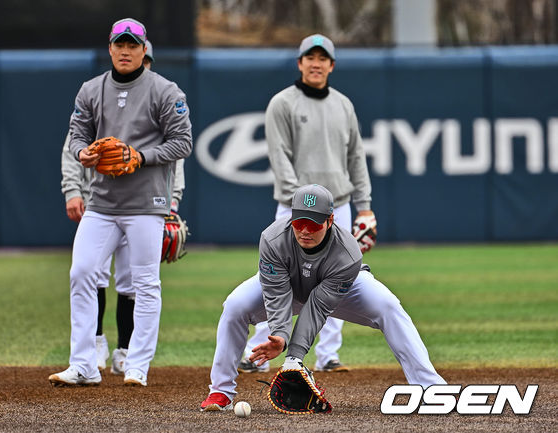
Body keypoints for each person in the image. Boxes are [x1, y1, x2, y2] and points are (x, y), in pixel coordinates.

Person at [200, 184, 445, 411]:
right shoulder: (272, 239)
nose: (305, 231)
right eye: (300, 222)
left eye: (314, 224)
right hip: (289, 285)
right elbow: (277, 295)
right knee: (234, 305)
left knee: (388, 306)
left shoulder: (348, 253)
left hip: (342, 286)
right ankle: (221, 391)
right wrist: (280, 337)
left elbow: (317, 307)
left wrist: (293, 357)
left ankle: (430, 387)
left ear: (330, 220)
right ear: (291, 218)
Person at [49, 17, 192, 387]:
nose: (125, 50)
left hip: (146, 203)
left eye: (132, 44)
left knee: (145, 283)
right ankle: (83, 364)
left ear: (144, 49)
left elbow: (183, 143)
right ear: (110, 48)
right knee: (81, 273)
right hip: (101, 202)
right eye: (119, 44)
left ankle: (136, 366)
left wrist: (140, 156)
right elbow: (77, 134)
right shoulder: (91, 90)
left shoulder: (165, 90)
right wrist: (83, 152)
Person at [239, 33, 375, 374]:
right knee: (277, 280)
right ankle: (261, 351)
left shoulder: (343, 104)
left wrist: (366, 205)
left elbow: (356, 156)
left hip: (339, 205)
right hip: (295, 208)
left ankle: (328, 356)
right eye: (309, 58)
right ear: (300, 63)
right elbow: (279, 156)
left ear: (331, 65)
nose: (316, 63)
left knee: (335, 279)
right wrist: (301, 203)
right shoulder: (283, 102)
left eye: (322, 58)